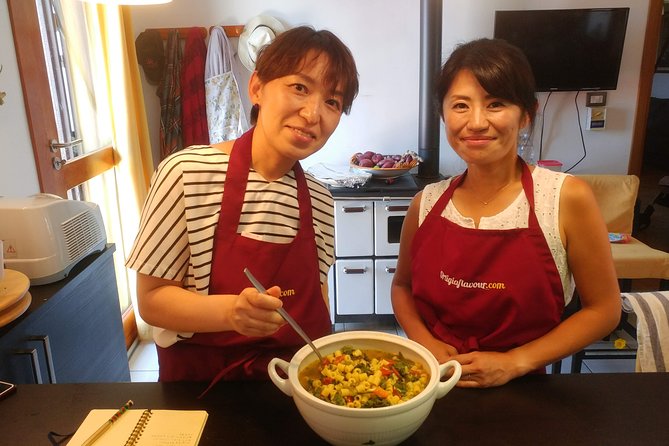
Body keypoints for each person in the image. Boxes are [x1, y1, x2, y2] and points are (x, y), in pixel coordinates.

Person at [126, 26, 359, 387]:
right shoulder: (186, 172)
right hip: (204, 387)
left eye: (332, 101)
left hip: (296, 389)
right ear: (257, 88)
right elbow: (152, 300)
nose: (313, 113)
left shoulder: (320, 198)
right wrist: (231, 312)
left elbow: (318, 302)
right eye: (300, 87)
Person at [391, 38, 621, 388]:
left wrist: (515, 362)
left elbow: (604, 310)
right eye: (460, 105)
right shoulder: (425, 202)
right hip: (433, 383)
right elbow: (402, 287)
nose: (477, 122)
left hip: (526, 388)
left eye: (495, 104)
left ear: (526, 114)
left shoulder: (563, 197)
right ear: (444, 115)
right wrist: (427, 344)